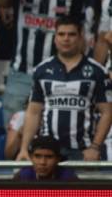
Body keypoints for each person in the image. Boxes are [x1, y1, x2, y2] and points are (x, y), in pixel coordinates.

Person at [0, 0, 80, 126]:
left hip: (58, 73)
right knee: (12, 132)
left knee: (53, 131)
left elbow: (78, 31)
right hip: (21, 72)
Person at [16, 17, 112, 161]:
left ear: (80, 38)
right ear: (55, 38)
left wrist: (95, 147)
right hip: (47, 152)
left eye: (71, 34)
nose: (66, 39)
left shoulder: (98, 71)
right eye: (61, 34)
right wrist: (24, 148)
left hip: (82, 151)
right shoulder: (41, 70)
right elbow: (33, 112)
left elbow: (107, 112)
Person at [14, 135, 79, 181]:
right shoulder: (23, 177)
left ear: (58, 159)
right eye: (37, 156)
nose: (43, 162)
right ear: (31, 157)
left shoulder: (68, 178)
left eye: (49, 157)